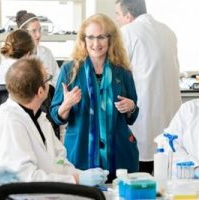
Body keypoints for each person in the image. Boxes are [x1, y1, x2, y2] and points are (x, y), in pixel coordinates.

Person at [0, 58, 108, 200]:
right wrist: (76, 180)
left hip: (49, 194)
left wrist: (81, 176)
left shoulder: (38, 117)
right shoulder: (9, 124)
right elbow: (26, 183)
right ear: (40, 92)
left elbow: (59, 160)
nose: (50, 82)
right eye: (48, 79)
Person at [50, 13, 139, 182]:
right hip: (80, 153)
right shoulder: (70, 70)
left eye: (101, 37)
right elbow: (56, 115)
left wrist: (131, 107)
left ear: (110, 39)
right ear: (83, 39)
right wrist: (66, 105)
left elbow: (133, 116)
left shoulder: (122, 71)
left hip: (119, 155)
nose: (96, 43)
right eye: (90, 37)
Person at [115, 0, 181, 174]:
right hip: (169, 114)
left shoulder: (127, 32)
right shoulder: (168, 31)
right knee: (164, 171)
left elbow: (117, 71)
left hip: (143, 113)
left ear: (128, 15)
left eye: (118, 15)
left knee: (142, 173)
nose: (118, 20)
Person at [16, 10, 60, 86]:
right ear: (23, 33)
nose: (38, 35)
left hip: (48, 96)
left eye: (40, 30)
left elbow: (58, 80)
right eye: (34, 31)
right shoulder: (14, 55)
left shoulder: (46, 53)